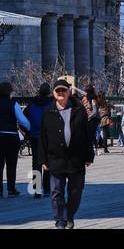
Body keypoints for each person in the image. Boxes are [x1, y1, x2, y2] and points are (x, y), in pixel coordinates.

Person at [39, 76, 95, 228]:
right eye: (58, 90)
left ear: (69, 92)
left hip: (76, 159)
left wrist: (89, 155)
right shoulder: (48, 113)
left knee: (76, 192)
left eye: (64, 90)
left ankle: (69, 215)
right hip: (55, 159)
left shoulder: (79, 111)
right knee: (56, 192)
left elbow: (87, 135)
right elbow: (42, 138)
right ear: (53, 93)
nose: (61, 93)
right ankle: (60, 220)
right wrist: (43, 160)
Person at [0, 81, 30, 197]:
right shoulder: (13, 104)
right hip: (11, 136)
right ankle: (11, 189)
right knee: (11, 164)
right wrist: (29, 127)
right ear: (10, 92)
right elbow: (22, 120)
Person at [25, 84, 52, 197]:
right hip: (48, 136)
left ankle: (36, 189)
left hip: (35, 136)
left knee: (36, 163)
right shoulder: (52, 103)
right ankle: (47, 189)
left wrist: (28, 132)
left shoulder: (32, 104)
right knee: (48, 162)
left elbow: (23, 118)